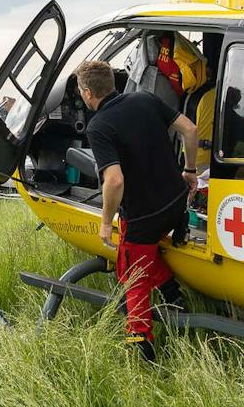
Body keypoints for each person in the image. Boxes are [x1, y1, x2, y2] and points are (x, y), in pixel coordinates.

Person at [78, 60, 199, 362]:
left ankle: (141, 348)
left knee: (131, 272)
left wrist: (106, 223)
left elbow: (114, 180)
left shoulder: (98, 126)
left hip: (145, 219)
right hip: (176, 205)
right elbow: (191, 129)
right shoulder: (145, 98)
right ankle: (173, 294)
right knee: (134, 257)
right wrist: (190, 170)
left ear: (88, 92)